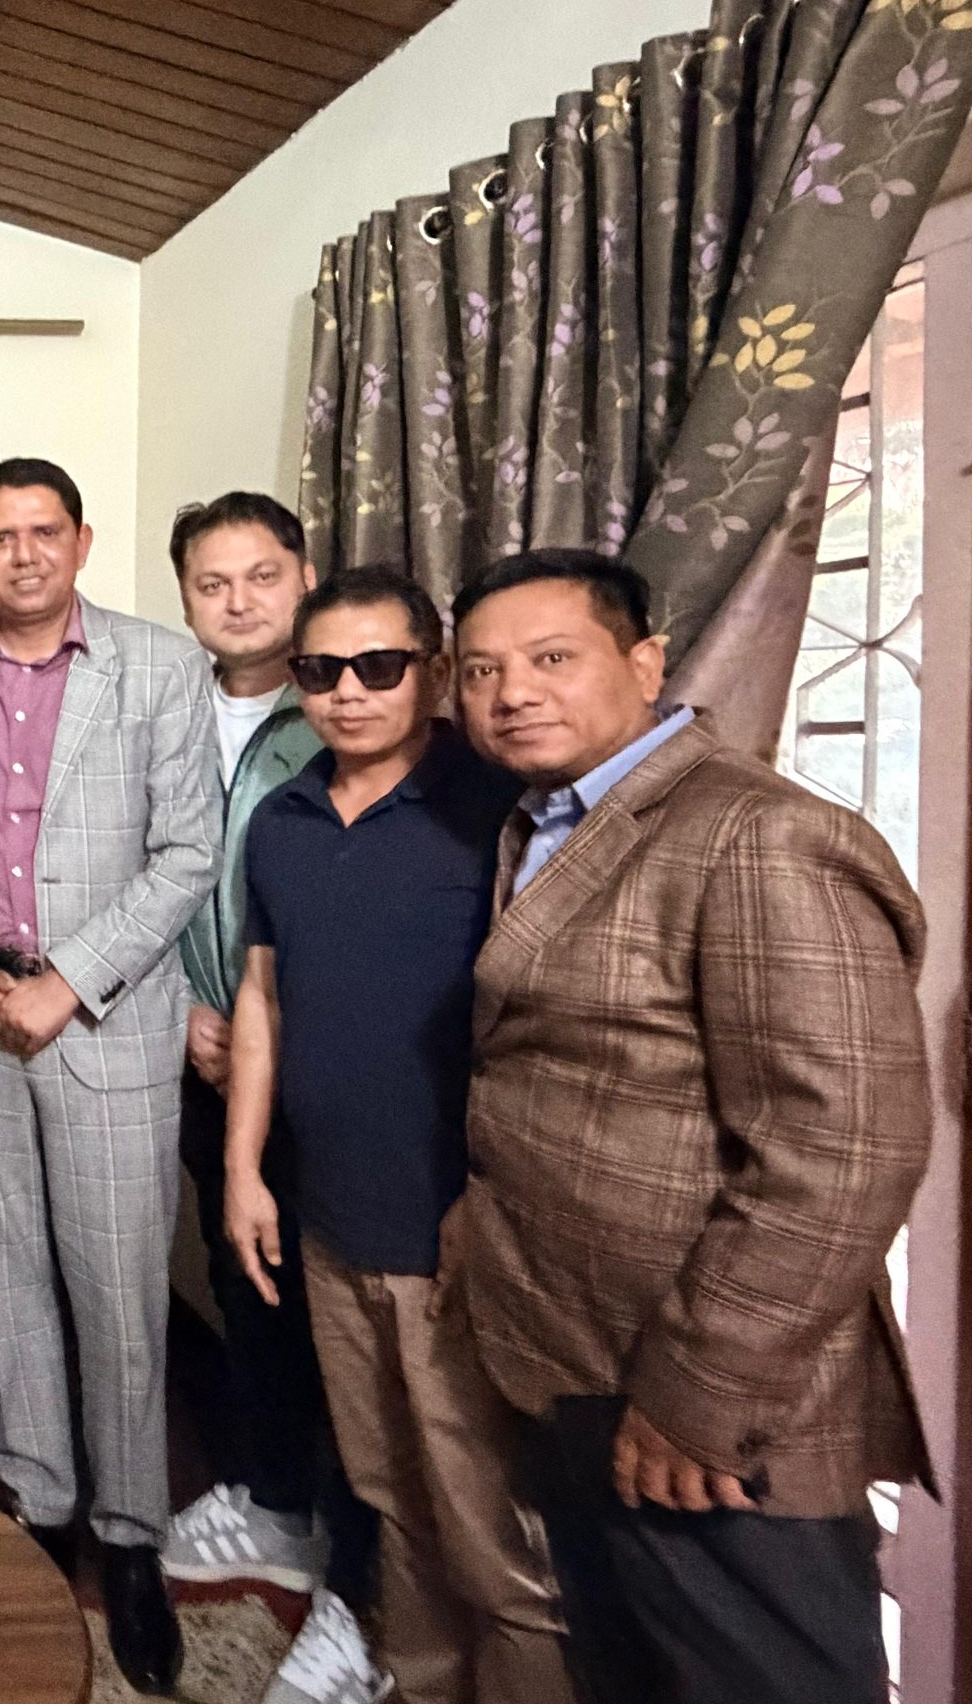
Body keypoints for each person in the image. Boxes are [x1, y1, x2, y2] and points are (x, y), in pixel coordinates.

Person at [449, 548, 930, 1704]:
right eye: (480, 671)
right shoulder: (545, 821)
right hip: (577, 1356)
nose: (511, 693)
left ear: (645, 663)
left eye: (550, 658)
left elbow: (843, 1154)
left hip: (713, 1405)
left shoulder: (758, 835)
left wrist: (697, 1398)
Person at [0, 456, 218, 1695]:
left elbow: (187, 852)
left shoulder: (159, 666)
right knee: (1, 1273)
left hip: (101, 1024)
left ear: (79, 542)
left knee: (119, 1292)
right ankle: (37, 1504)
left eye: (43, 532)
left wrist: (69, 978)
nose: (22, 554)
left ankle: (129, 1538)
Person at [224, 567, 567, 1704]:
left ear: (432, 671)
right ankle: (415, 1679)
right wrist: (241, 1171)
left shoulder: (501, 812)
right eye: (320, 670)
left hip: (455, 1235)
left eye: (378, 666)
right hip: (328, 1217)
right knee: (384, 1492)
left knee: (490, 1527)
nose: (348, 691)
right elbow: (261, 1003)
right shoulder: (280, 821)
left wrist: (489, 1201)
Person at [163, 493, 363, 1606]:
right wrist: (177, 1011)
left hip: (325, 1063)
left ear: (304, 577)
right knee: (248, 1281)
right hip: (202, 1050)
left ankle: (360, 1553)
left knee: (351, 1301)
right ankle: (278, 1504)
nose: (237, 602)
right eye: (212, 583)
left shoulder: (346, 704)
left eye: (261, 576)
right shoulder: (166, 708)